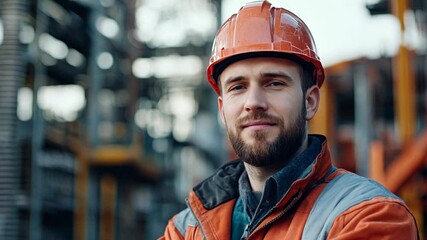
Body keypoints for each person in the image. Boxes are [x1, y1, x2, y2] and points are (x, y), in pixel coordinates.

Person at [159, 1, 419, 239]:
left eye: (274, 83)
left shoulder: (369, 215)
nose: (253, 102)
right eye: (237, 87)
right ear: (221, 108)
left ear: (310, 102)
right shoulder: (186, 228)